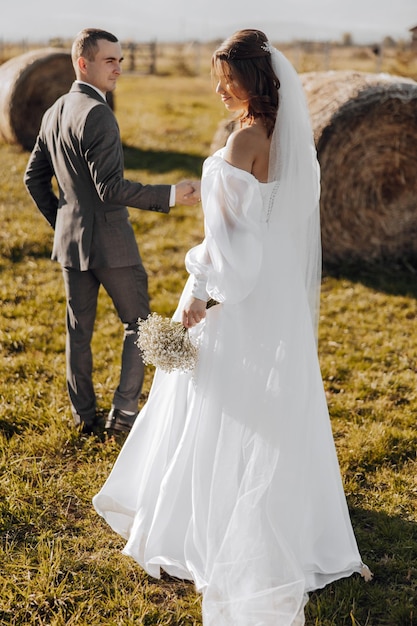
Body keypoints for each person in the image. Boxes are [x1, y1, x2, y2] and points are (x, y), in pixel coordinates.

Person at [93, 29, 372, 625]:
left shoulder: (247, 136)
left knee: (219, 397)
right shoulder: (282, 135)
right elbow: (267, 230)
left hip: (236, 290)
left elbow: (231, 244)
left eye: (227, 77)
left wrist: (204, 298)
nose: (219, 87)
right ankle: (291, 518)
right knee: (269, 400)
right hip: (273, 290)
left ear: (251, 78)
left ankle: (210, 521)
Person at [24, 28, 200, 435]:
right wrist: (171, 194)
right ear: (83, 63)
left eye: (120, 59)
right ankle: (123, 414)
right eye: (110, 60)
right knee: (138, 325)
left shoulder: (54, 111)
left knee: (78, 332)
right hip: (112, 244)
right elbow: (111, 189)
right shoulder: (98, 112)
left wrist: (64, 223)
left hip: (71, 245)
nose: (119, 68)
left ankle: (83, 417)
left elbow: (34, 179)